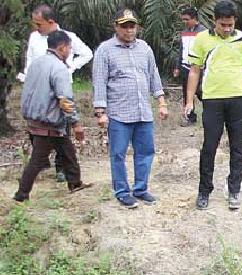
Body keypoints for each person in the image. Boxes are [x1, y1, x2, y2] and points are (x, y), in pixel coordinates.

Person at [184, 0, 242, 211]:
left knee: (236, 148)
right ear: (215, 21)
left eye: (230, 24)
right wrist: (189, 101)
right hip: (212, 101)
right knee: (209, 147)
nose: (227, 28)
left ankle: (234, 190)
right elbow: (194, 71)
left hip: (238, 100)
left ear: (235, 22)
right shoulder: (202, 39)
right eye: (223, 24)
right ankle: (204, 191)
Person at [92, 9, 169, 209]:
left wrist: (161, 101)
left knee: (146, 151)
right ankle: (122, 192)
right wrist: (100, 112)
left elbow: (154, 75)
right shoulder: (105, 50)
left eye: (132, 25)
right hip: (118, 113)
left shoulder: (144, 48)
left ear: (137, 27)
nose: (128, 30)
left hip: (143, 111)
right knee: (118, 154)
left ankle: (141, 189)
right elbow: (99, 81)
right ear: (115, 27)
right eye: (124, 26)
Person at [19, 4, 93, 184]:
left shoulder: (68, 38)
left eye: (39, 24)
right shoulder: (35, 38)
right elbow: (30, 63)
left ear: (50, 21)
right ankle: (27, 186)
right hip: (38, 90)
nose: (37, 28)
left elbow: (87, 53)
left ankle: (63, 172)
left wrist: (70, 67)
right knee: (44, 133)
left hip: (59, 88)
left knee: (61, 132)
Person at [173, 6, 206, 126]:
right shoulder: (184, 32)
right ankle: (190, 117)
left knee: (202, 93)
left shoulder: (203, 32)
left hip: (199, 68)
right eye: (183, 20)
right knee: (187, 94)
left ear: (194, 19)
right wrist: (177, 66)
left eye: (187, 19)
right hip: (185, 67)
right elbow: (181, 50)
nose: (185, 22)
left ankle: (212, 113)